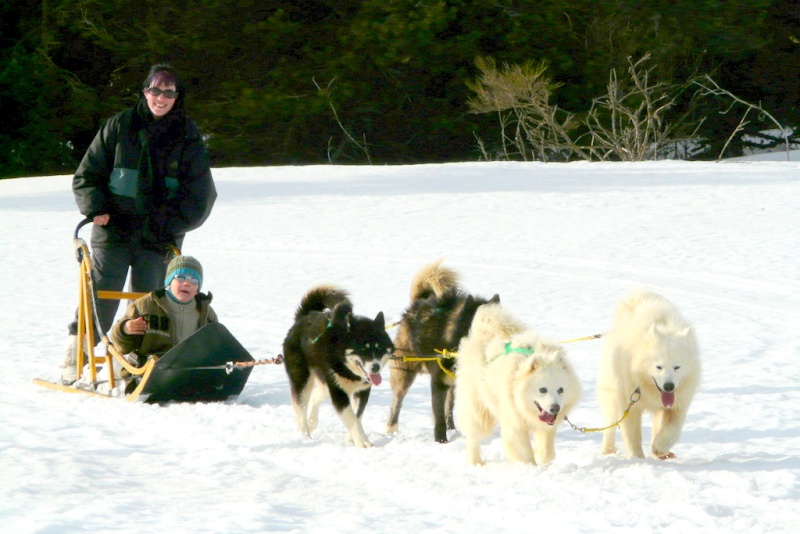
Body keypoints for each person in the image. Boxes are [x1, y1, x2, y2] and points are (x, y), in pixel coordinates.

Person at [62, 63, 216, 384]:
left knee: (151, 302)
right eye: (155, 90)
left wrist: (170, 223)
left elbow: (200, 196)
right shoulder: (120, 126)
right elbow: (87, 176)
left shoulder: (187, 136)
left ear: (177, 97)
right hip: (114, 228)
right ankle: (78, 351)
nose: (161, 98)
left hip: (157, 236)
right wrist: (97, 207)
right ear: (145, 91)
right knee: (102, 291)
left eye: (169, 92)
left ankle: (137, 358)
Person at [110, 255, 217, 361]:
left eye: (193, 281)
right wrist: (125, 329)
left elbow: (217, 345)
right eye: (180, 278)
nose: (186, 283)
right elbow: (122, 347)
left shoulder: (206, 313)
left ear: (198, 287)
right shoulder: (145, 306)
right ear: (169, 282)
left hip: (192, 370)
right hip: (151, 370)